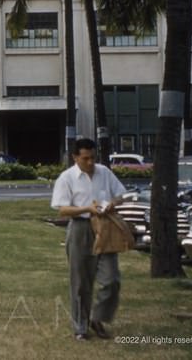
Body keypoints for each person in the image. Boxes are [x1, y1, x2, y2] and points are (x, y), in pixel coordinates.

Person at [50, 138, 127, 341]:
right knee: (81, 282)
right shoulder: (66, 178)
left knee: (112, 280)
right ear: (75, 157)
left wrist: (112, 202)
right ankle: (80, 328)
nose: (91, 162)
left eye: (93, 157)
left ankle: (98, 317)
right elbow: (62, 210)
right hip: (80, 228)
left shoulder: (104, 172)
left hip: (104, 226)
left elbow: (121, 194)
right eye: (86, 158)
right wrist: (86, 209)